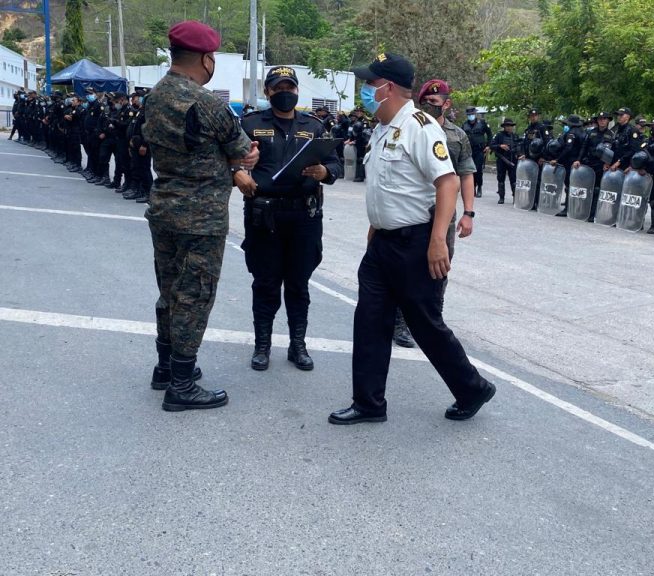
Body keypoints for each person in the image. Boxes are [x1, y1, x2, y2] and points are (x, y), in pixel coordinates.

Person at [328, 53, 496, 425]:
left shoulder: (420, 126)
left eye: (370, 84)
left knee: (424, 323)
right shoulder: (381, 128)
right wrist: (375, 226)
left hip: (415, 243)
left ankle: (472, 387)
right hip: (383, 244)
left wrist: (438, 239)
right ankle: (369, 404)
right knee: (370, 319)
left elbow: (448, 181)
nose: (365, 90)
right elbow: (388, 188)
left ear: (387, 87)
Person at [142, 20, 259, 412]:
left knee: (169, 290)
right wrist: (242, 159)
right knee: (194, 296)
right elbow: (241, 150)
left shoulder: (154, 96)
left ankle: (165, 368)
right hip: (201, 218)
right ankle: (181, 384)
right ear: (207, 59)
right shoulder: (208, 103)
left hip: (164, 209)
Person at [240, 66, 342, 372]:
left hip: (303, 216)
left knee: (299, 284)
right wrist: (238, 172)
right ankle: (262, 346)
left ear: (297, 90)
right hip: (264, 215)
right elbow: (228, 161)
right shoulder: (250, 124)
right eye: (278, 87)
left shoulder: (313, 126)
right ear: (268, 91)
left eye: (290, 87)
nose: (285, 92)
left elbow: (334, 164)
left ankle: (298, 345)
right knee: (266, 282)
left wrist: (325, 172)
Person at [389, 78, 477, 350]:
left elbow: (466, 174)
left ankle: (433, 318)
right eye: (425, 102)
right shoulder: (409, 129)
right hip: (412, 210)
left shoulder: (457, 136)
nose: (429, 106)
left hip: (445, 214)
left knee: (440, 266)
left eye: (435, 103)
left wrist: (469, 213)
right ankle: (400, 322)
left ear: (447, 105)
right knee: (408, 266)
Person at [574, 111, 614, 221]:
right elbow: (584, 147)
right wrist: (578, 160)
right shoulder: (591, 133)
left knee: (596, 190)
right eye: (600, 119)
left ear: (608, 121)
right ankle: (582, 211)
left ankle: (592, 215)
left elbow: (613, 151)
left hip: (601, 165)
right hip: (588, 164)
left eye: (604, 119)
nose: (602, 120)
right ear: (597, 120)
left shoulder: (611, 135)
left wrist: (608, 163)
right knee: (584, 188)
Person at [462, 106, 492, 197]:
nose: (471, 115)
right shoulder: (464, 125)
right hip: (469, 151)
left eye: (472, 114)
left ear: (475, 114)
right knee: (471, 170)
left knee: (478, 170)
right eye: (469, 114)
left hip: (479, 150)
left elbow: (489, 134)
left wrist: (488, 145)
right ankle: (473, 188)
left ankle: (479, 187)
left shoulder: (482, 123)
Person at [490, 118, 520, 204]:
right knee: (501, 178)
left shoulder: (515, 136)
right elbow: (492, 145)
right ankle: (501, 197)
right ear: (504, 127)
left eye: (510, 126)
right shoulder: (499, 135)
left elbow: (519, 147)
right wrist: (500, 146)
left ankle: (515, 198)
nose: (509, 127)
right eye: (507, 126)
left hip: (513, 160)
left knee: (513, 179)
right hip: (502, 159)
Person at [610, 107, 645, 171]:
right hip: (614, 164)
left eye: (621, 115)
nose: (619, 117)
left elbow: (634, 149)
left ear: (628, 117)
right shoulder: (616, 129)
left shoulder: (632, 130)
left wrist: (619, 161)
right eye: (618, 115)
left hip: (626, 165)